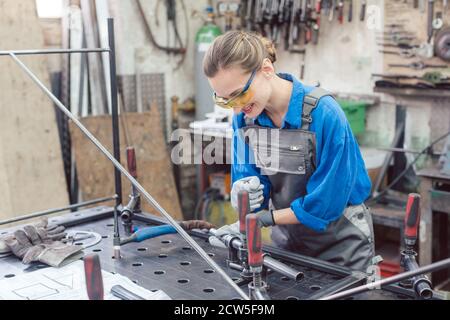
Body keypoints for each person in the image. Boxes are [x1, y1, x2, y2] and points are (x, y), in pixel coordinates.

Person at [203, 30, 375, 271]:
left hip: (342, 245)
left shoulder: (324, 114)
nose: (237, 108)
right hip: (286, 244)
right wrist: (244, 194)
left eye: (239, 94)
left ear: (266, 69)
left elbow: (326, 203)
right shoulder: (245, 120)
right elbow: (250, 179)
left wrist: (265, 219)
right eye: (225, 101)